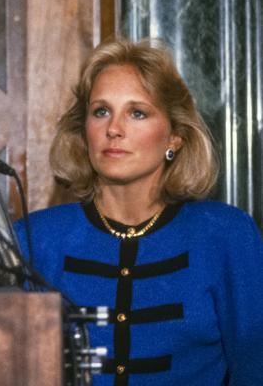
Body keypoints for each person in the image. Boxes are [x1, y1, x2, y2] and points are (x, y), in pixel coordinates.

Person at [15, 38, 263, 385]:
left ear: (174, 137)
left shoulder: (226, 235)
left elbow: (255, 369)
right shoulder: (31, 239)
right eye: (101, 111)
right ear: (84, 133)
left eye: (137, 113)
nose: (113, 129)